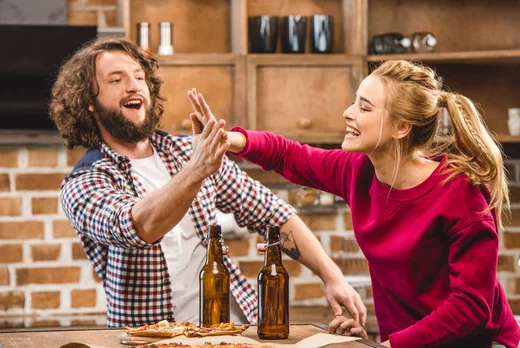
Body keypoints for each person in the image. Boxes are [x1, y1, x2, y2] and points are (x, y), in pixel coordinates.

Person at [189, 59, 520, 348]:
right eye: (355, 101)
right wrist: (228, 139)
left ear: (401, 126)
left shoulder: (459, 193)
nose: (348, 113)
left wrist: (388, 345)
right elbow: (289, 155)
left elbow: (471, 307)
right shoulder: (357, 171)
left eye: (364, 107)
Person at [49, 37, 366, 329]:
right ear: (88, 101)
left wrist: (331, 275)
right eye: (116, 80)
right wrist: (197, 170)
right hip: (154, 336)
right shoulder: (84, 182)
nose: (134, 86)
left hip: (237, 326)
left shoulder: (187, 150)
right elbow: (140, 226)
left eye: (139, 76)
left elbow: (270, 213)